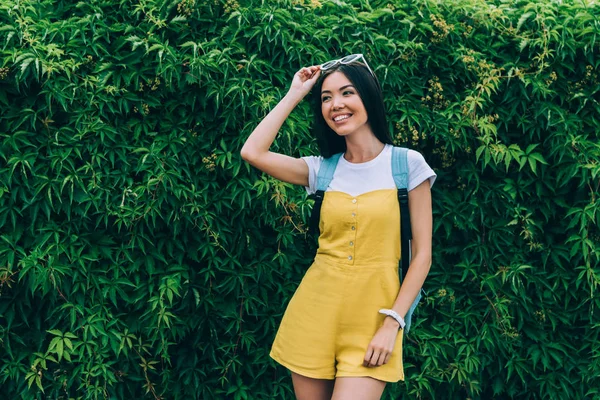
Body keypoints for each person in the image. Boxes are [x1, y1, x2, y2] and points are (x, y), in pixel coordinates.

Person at [240, 54, 436, 400]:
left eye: (347, 93)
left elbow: (422, 255)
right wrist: (295, 93)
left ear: (368, 98)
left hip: (374, 321)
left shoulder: (407, 164)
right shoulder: (322, 170)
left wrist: (393, 323)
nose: (336, 105)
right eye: (327, 97)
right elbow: (253, 152)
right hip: (313, 313)